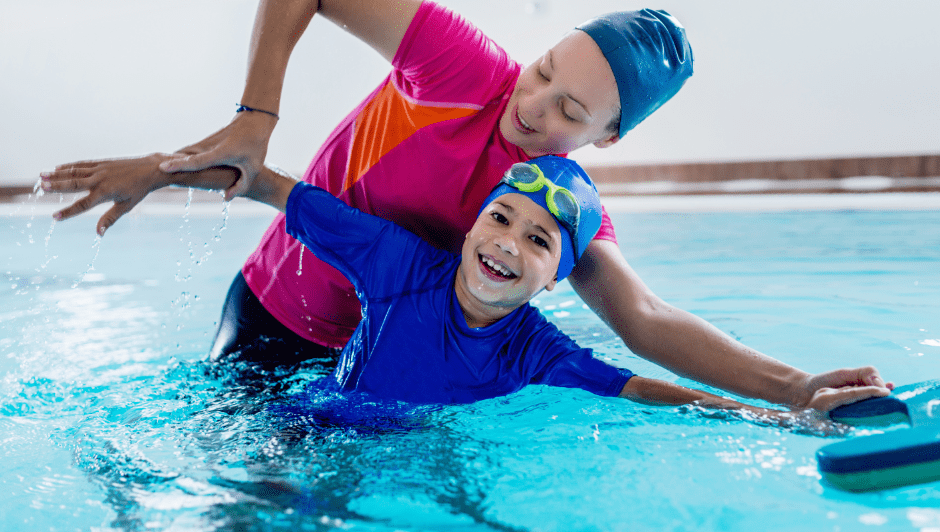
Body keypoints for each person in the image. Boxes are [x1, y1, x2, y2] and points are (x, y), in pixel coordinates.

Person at [40, 0, 891, 409]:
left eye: (570, 110)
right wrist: (248, 122)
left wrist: (794, 386)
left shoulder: (555, 205)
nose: (534, 107)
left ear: (609, 135)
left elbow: (645, 320)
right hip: (268, 312)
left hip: (364, 365)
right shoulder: (459, 63)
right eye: (545, 69)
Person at [238, 154, 888, 419]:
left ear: (555, 280)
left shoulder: (538, 351)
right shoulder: (397, 262)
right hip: (316, 424)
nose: (507, 244)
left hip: (417, 445)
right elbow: (274, 187)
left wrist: (782, 413)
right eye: (500, 218)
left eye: (540, 241)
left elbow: (644, 391)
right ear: (471, 227)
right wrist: (154, 173)